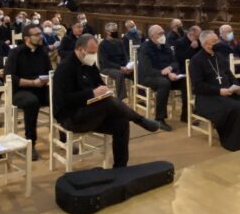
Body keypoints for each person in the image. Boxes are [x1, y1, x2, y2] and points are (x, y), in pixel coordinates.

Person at [52, 34, 160, 167]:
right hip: (71, 117)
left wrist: (103, 90)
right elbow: (63, 101)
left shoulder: (89, 64)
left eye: (95, 52)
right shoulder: (65, 68)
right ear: (80, 50)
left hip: (90, 111)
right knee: (108, 102)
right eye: (91, 52)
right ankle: (140, 120)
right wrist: (91, 93)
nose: (94, 55)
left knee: (122, 123)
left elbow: (99, 83)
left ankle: (120, 167)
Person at [189, 30, 240, 152]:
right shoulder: (196, 61)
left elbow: (230, 75)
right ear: (205, 44)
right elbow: (198, 86)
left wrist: (236, 86)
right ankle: (234, 143)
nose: (218, 43)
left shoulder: (219, 56)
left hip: (228, 92)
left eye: (217, 40)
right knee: (235, 107)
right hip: (208, 97)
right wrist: (219, 91)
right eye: (214, 41)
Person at [5, 24, 52, 160]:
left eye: (40, 33)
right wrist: (31, 82)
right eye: (36, 35)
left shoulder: (42, 51)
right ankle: (30, 143)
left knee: (58, 95)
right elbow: (9, 77)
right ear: (27, 38)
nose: (40, 37)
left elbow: (49, 71)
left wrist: (47, 79)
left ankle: (63, 136)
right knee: (32, 102)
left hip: (40, 88)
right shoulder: (16, 52)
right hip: (19, 92)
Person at [136, 24, 187, 131]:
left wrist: (170, 69)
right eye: (160, 33)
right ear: (152, 36)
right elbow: (147, 70)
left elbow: (175, 62)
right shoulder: (144, 48)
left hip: (165, 75)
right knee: (164, 83)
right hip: (148, 77)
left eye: (163, 33)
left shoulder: (165, 46)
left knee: (185, 81)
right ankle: (159, 119)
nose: (163, 35)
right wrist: (166, 73)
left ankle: (185, 114)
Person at [98, 22, 134, 102]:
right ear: (107, 31)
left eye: (116, 30)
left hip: (121, 66)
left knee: (135, 72)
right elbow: (105, 61)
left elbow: (125, 56)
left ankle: (140, 96)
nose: (115, 32)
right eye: (113, 30)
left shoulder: (119, 42)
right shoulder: (103, 44)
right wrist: (120, 68)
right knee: (119, 74)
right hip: (107, 68)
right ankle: (121, 99)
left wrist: (127, 66)